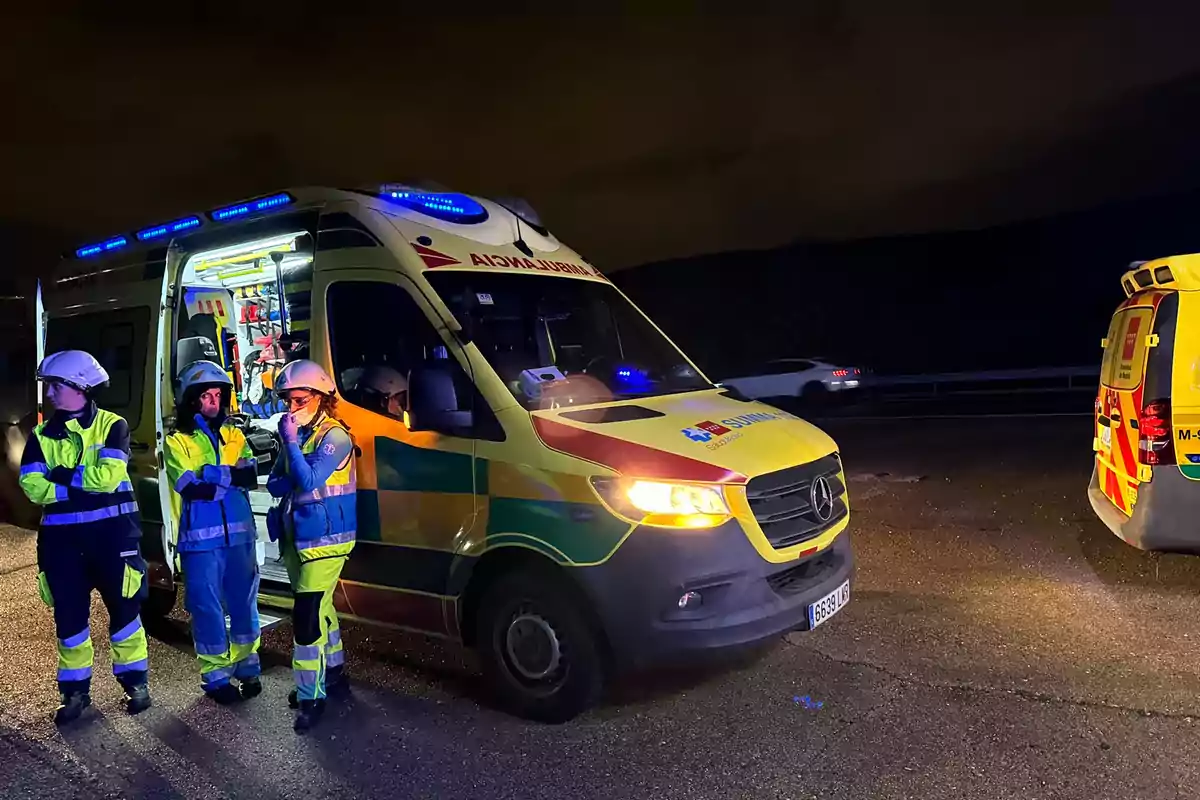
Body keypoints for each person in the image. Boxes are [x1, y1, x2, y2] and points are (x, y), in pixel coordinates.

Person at [18, 350, 151, 724]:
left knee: (125, 614)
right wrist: (76, 485)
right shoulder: (41, 434)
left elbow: (108, 479)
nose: (50, 395)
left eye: (56, 386)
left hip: (113, 539)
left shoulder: (114, 426)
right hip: (62, 545)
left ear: (80, 386)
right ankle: (75, 693)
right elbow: (31, 486)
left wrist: (59, 477)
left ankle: (135, 683)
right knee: (70, 621)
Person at [164, 360, 262, 704]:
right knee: (206, 607)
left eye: (218, 395)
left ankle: (249, 667)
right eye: (206, 396)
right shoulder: (176, 442)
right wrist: (225, 475)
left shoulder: (235, 434)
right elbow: (191, 488)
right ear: (191, 401)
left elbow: (249, 475)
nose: (214, 403)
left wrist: (210, 472)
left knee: (244, 603)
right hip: (201, 542)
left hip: (240, 538)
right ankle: (216, 677)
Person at [266, 360, 356, 732]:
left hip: (327, 539)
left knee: (305, 618)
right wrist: (291, 454)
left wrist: (289, 444)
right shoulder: (300, 436)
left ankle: (310, 695)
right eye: (287, 401)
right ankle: (333, 671)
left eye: (299, 400)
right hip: (296, 536)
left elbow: (306, 480)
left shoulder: (335, 437)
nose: (291, 408)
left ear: (320, 397)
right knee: (322, 609)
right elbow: (274, 483)